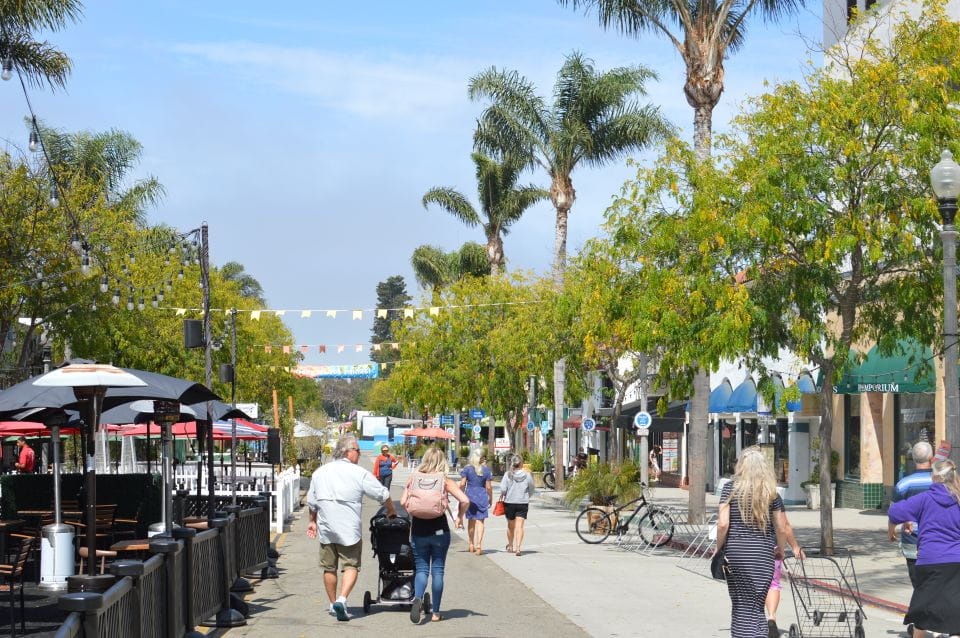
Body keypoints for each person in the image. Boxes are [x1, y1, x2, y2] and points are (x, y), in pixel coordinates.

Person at [306, 433, 396, 622]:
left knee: (329, 568)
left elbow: (312, 502)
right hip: (349, 530)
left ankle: (333, 604)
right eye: (357, 450)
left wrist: (312, 521)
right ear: (348, 451)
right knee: (351, 566)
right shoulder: (358, 473)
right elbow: (382, 493)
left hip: (327, 529)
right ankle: (342, 599)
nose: (359, 453)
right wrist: (391, 511)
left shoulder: (320, 472)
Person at [716, 446, 803, 638]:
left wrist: (718, 549)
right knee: (757, 605)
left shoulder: (730, 488)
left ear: (742, 466)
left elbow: (723, 524)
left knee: (740, 603)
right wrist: (780, 550)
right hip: (763, 554)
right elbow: (781, 527)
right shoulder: (771, 493)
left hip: (736, 553)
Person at [888, 459, 960, 637]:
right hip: (956, 560)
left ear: (934, 477)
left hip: (929, 560)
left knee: (922, 610)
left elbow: (894, 512)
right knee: (956, 607)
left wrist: (893, 527)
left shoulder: (924, 499)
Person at [402, 447, 468, 624]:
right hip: (439, 530)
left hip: (419, 530)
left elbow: (402, 501)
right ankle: (436, 613)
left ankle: (417, 598)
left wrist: (414, 510)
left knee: (421, 569)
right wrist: (459, 517)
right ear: (442, 461)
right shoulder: (444, 480)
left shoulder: (413, 477)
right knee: (438, 570)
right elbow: (465, 500)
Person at [888, 441, 934, 588]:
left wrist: (891, 530)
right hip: (937, 541)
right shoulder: (941, 482)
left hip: (912, 541)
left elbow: (893, 511)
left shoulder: (904, 484)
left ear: (913, 459)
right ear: (931, 458)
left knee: (918, 585)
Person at [459, 449, 493, 555]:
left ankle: (471, 544)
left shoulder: (467, 469)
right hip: (482, 496)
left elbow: (462, 484)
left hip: (470, 496)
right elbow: (488, 487)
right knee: (480, 522)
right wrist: (490, 498)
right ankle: (479, 545)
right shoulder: (486, 470)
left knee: (471, 521)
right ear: (482, 458)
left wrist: (460, 495)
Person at [500, 454, 535, 556]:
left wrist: (505, 494)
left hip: (509, 503)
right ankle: (518, 548)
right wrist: (527, 496)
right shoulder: (527, 475)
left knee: (510, 526)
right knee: (520, 526)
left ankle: (510, 546)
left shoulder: (508, 474)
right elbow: (532, 488)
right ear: (521, 463)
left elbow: (503, 489)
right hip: (522, 503)